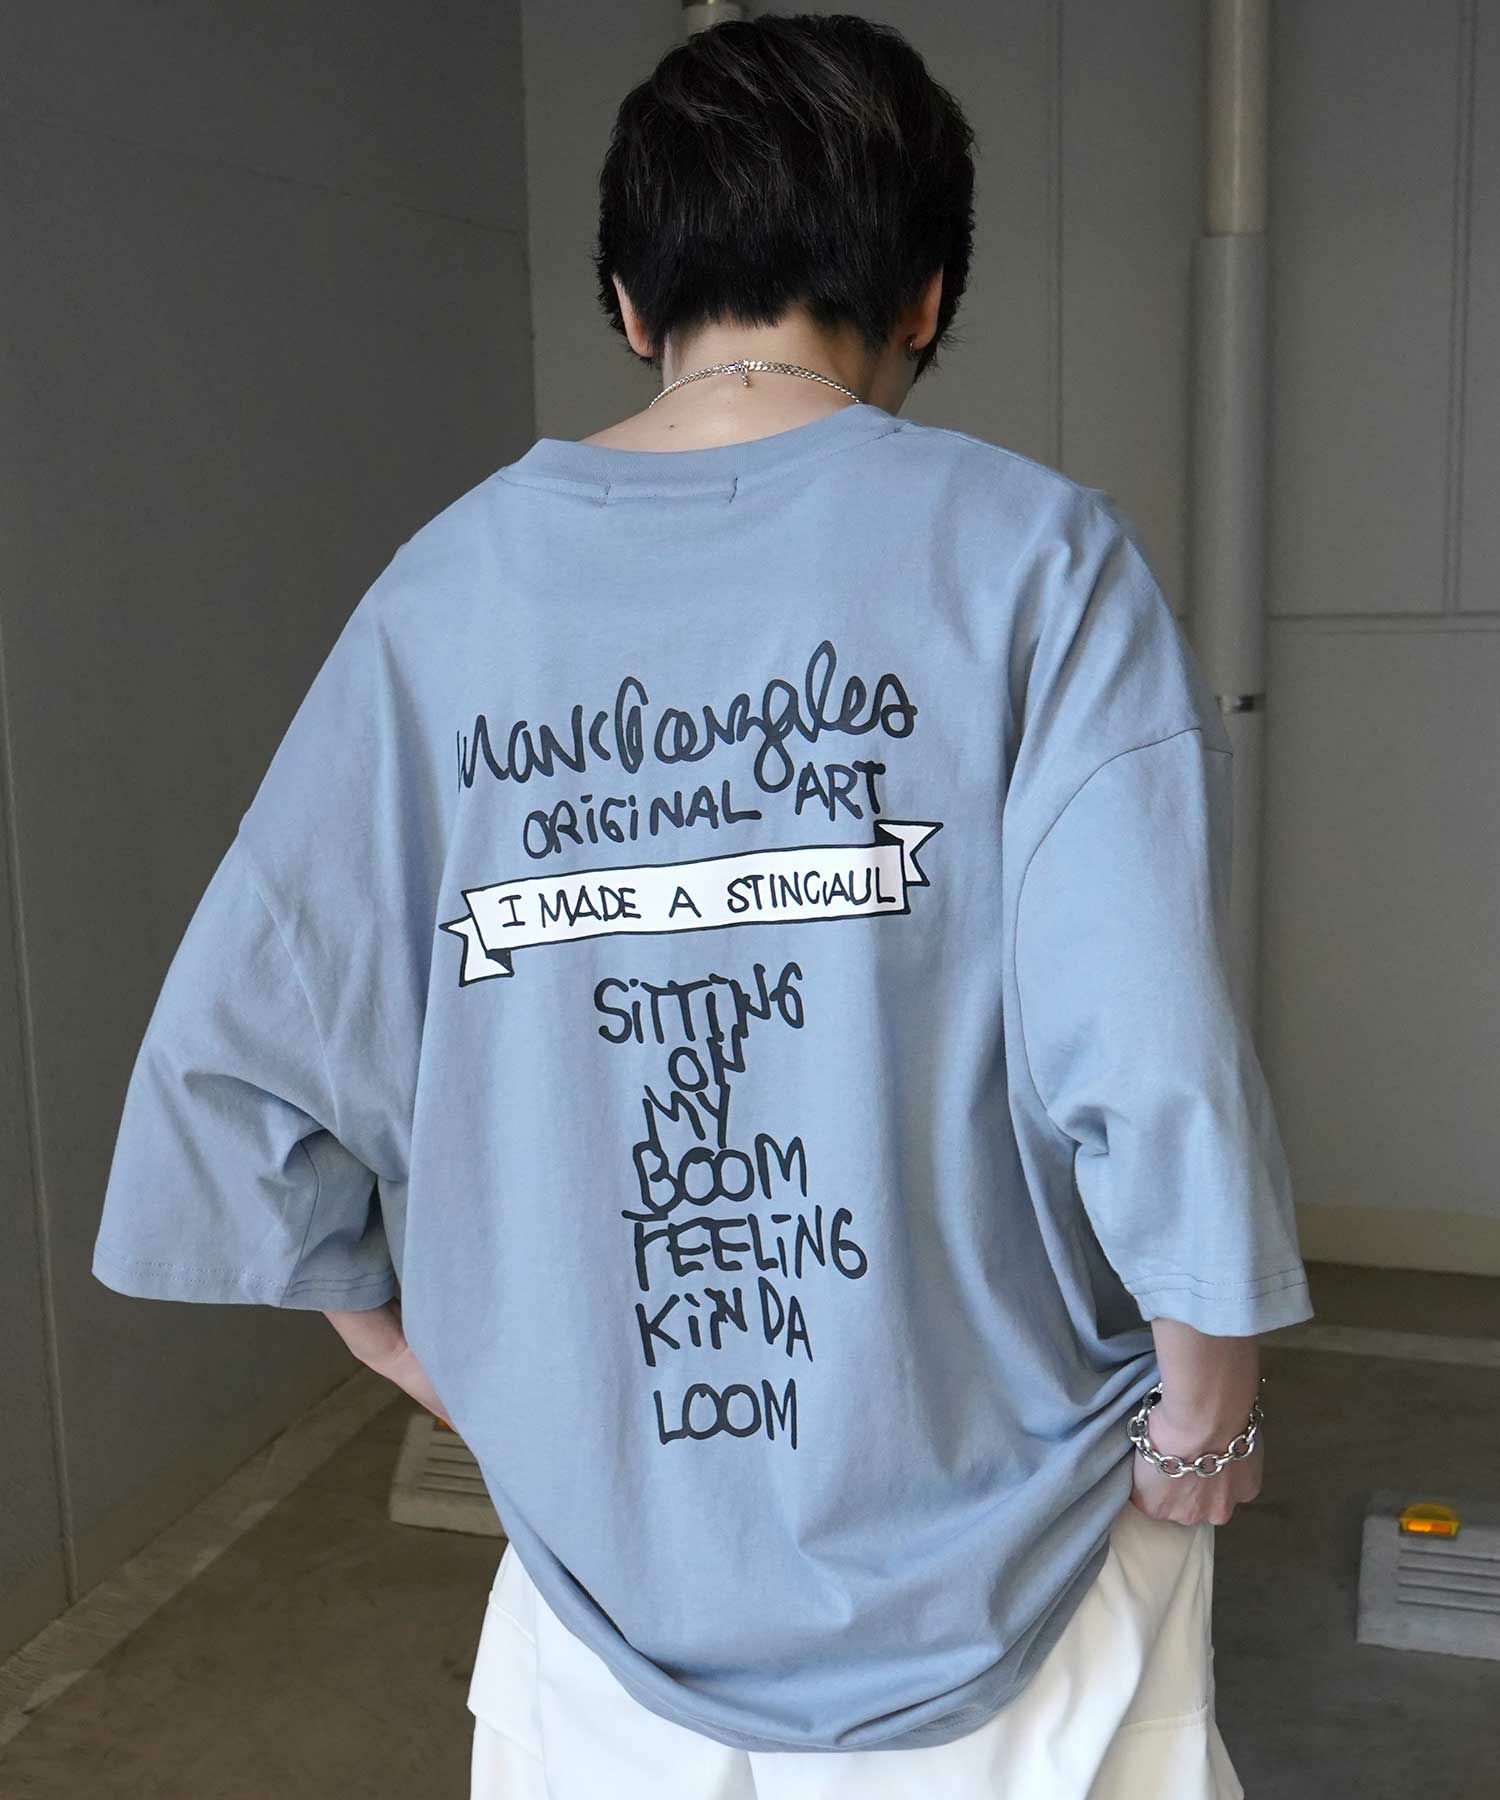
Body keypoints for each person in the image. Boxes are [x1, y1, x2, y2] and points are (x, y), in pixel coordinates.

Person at [90, 12, 1313, 1798]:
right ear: (926, 296)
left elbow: (246, 1069)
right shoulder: (1040, 563)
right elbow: (1147, 1048)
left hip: (601, 1592)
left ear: (627, 299)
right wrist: (1207, 1417)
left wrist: (449, 1365)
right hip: (1016, 1574)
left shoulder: (447, 596)